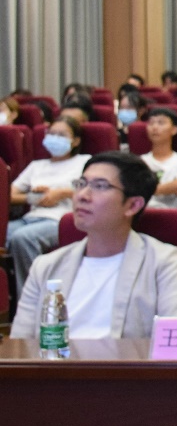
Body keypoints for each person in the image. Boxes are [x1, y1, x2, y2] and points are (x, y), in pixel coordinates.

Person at [11, 151, 177, 339]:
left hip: (127, 359)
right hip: (55, 359)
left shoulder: (163, 262)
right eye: (81, 184)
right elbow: (20, 344)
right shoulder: (45, 266)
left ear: (133, 205)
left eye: (100, 186)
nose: (82, 195)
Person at [7, 116, 92, 297]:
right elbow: (9, 195)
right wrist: (33, 197)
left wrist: (61, 193)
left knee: (23, 238)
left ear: (76, 141)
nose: (55, 138)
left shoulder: (85, 162)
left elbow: (93, 190)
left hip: (61, 219)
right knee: (8, 234)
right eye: (52, 133)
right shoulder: (36, 165)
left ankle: (34, 298)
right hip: (30, 218)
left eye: (61, 135)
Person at [139, 108, 177, 209]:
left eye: (161, 123)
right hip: (143, 212)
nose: (155, 127)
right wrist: (169, 188)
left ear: (174, 129)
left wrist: (148, 190)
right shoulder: (140, 161)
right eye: (151, 123)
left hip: (171, 213)